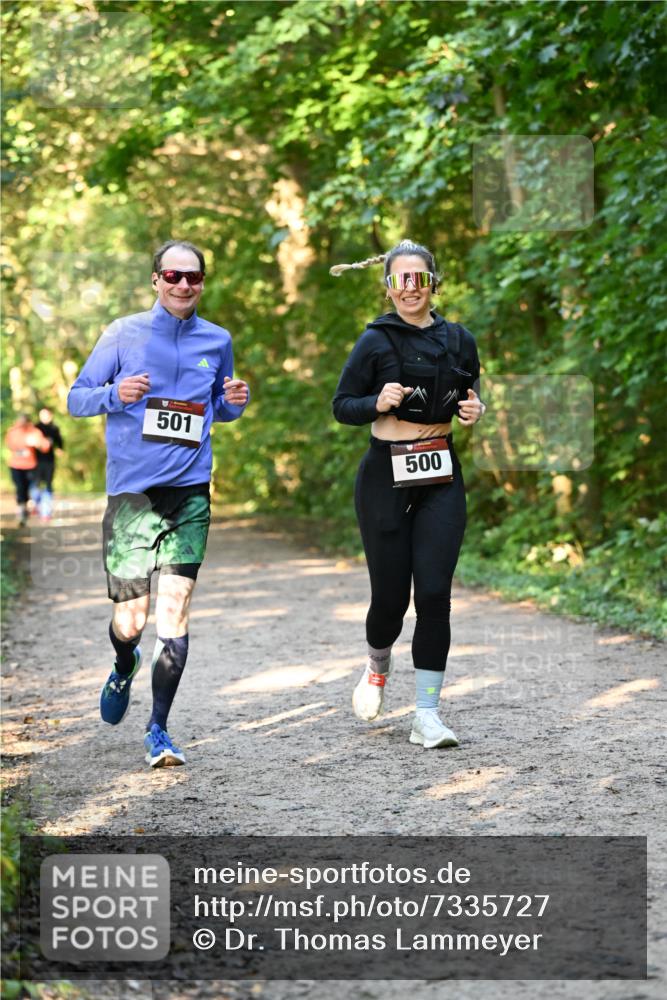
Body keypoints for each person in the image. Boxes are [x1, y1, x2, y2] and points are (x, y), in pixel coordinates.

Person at [68, 239, 249, 768]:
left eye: (193, 277)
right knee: (131, 621)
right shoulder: (122, 333)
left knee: (174, 613)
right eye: (173, 275)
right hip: (132, 496)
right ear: (155, 280)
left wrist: (232, 405)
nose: (183, 285)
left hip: (190, 493)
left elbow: (217, 408)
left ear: (202, 284)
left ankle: (159, 730)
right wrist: (115, 394)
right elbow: (77, 397)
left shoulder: (217, 340)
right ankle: (124, 664)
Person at [331, 239, 485, 749]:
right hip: (384, 477)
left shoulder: (460, 339)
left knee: (435, 595)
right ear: (389, 286)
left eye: (420, 278)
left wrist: (472, 411)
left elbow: (467, 394)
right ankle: (377, 666)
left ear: (434, 283)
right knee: (391, 601)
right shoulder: (374, 341)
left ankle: (427, 714)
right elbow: (342, 406)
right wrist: (375, 402)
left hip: (440, 475)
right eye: (401, 279)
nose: (410, 288)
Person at [5, 414, 51, 526]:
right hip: (15, 465)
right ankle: (22, 511)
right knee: (20, 488)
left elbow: (45, 446)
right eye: (20, 421)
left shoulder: (34, 431)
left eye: (24, 421)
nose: (21, 423)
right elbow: (9, 444)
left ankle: (34, 508)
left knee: (33, 489)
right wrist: (23, 444)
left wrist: (37, 443)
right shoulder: (12, 431)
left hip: (30, 466)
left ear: (28, 422)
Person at [31, 406, 65, 520]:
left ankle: (46, 512)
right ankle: (36, 504)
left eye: (46, 414)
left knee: (48, 485)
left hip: (49, 461)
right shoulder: (35, 428)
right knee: (35, 486)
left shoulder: (54, 428)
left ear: (50, 415)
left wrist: (60, 449)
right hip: (35, 462)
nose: (45, 417)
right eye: (42, 414)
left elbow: (59, 442)